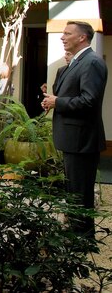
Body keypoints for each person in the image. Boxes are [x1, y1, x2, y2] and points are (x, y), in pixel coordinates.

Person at [42, 21, 107, 237]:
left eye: (67, 33)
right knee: (74, 190)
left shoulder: (92, 62)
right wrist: (53, 100)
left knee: (80, 192)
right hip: (73, 138)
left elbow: (89, 101)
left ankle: (83, 238)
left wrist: (57, 102)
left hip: (82, 139)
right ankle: (76, 234)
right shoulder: (76, 63)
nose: (62, 37)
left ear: (82, 38)